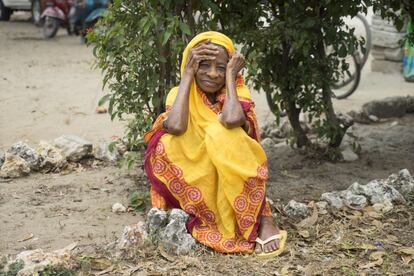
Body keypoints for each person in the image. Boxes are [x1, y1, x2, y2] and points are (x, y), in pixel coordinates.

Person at [144, 31, 287, 257]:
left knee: (225, 135)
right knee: (168, 141)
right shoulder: (179, 93)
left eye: (221, 67)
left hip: (229, 169)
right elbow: (177, 126)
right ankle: (201, 213)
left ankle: (263, 218)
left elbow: (231, 120)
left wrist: (231, 75)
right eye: (204, 65)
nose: (212, 74)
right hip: (199, 171)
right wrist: (187, 74)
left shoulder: (237, 91)